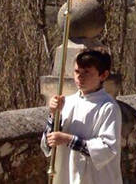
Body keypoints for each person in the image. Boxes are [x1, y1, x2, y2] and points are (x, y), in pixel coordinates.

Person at [41, 48, 122, 184]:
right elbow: (47, 145)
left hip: (95, 178)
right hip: (66, 175)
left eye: (87, 72)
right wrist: (53, 116)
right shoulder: (66, 102)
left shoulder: (108, 107)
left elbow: (107, 149)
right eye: (77, 71)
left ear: (103, 75)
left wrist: (69, 140)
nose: (80, 77)